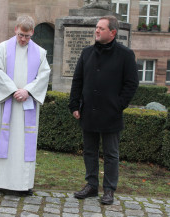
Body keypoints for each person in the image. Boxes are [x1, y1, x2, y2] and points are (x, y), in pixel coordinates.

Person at [68, 16, 139, 205]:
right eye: (96, 27)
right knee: (89, 151)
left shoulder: (125, 55)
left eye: (101, 28)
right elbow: (78, 81)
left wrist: (118, 105)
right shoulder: (87, 53)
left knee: (111, 154)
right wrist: (74, 105)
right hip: (89, 111)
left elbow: (131, 84)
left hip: (111, 113)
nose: (96, 31)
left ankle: (109, 190)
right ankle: (91, 185)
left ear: (112, 32)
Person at [0, 15, 51, 196]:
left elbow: (43, 76)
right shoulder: (3, 48)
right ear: (15, 30)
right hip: (5, 104)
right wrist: (12, 91)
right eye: (20, 35)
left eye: (27, 36)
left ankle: (23, 184)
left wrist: (27, 91)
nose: (23, 39)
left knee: (22, 145)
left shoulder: (40, 53)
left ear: (32, 33)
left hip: (26, 106)